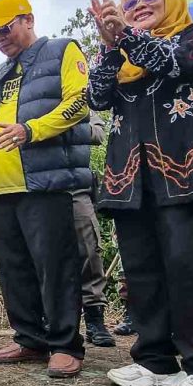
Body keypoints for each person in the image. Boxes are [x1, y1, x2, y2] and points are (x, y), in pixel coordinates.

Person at [89, 0, 193, 386]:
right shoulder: (124, 55)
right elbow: (97, 95)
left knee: (190, 268)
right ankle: (155, 361)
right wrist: (111, 46)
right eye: (130, 3)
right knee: (143, 270)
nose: (137, 6)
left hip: (184, 172)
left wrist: (128, 35)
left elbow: (175, 63)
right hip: (130, 179)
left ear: (170, 2)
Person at [0, 0, 92, 378]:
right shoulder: (0, 72)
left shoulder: (61, 51)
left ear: (29, 20)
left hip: (46, 181)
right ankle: (29, 337)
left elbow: (79, 104)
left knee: (54, 265)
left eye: (5, 29)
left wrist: (31, 130)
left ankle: (65, 344)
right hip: (3, 187)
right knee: (13, 266)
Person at [74, 113, 115, 347]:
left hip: (77, 186)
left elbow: (97, 133)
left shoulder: (80, 98)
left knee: (90, 251)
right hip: (41, 188)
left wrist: (57, 127)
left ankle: (94, 319)